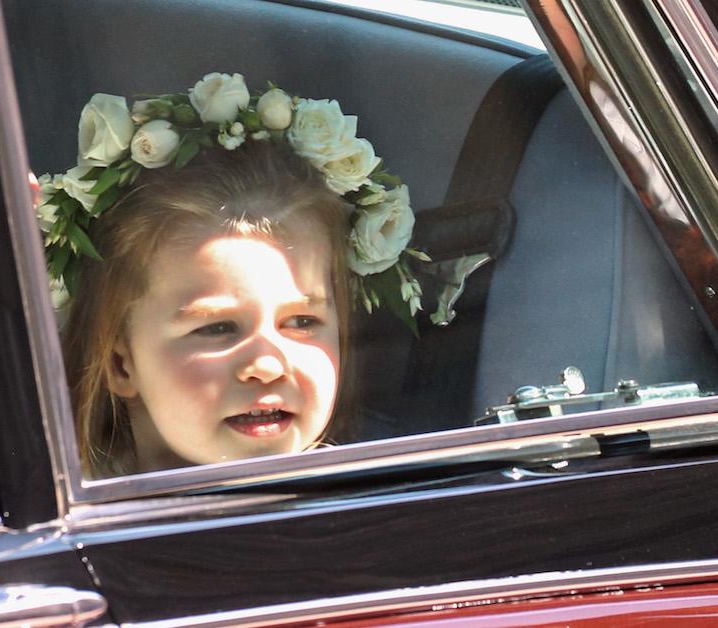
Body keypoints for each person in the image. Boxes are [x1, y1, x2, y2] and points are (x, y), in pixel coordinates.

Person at [39, 73, 427, 477]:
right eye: (217, 327)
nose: (266, 364)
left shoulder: (392, 482)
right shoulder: (66, 518)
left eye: (301, 321)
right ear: (121, 364)